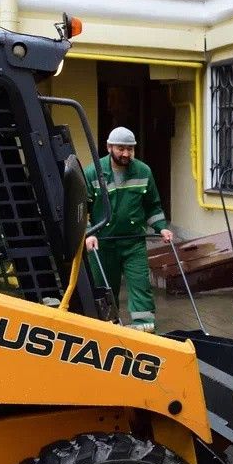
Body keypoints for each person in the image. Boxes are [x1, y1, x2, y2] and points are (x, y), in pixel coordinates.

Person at [84, 126, 173, 333]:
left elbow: (153, 205)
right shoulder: (91, 173)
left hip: (133, 243)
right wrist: (89, 233)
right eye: (121, 148)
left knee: (141, 286)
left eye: (130, 149)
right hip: (103, 245)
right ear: (109, 147)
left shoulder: (143, 171)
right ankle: (108, 330)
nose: (126, 154)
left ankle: (146, 329)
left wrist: (162, 228)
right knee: (105, 291)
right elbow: (83, 209)